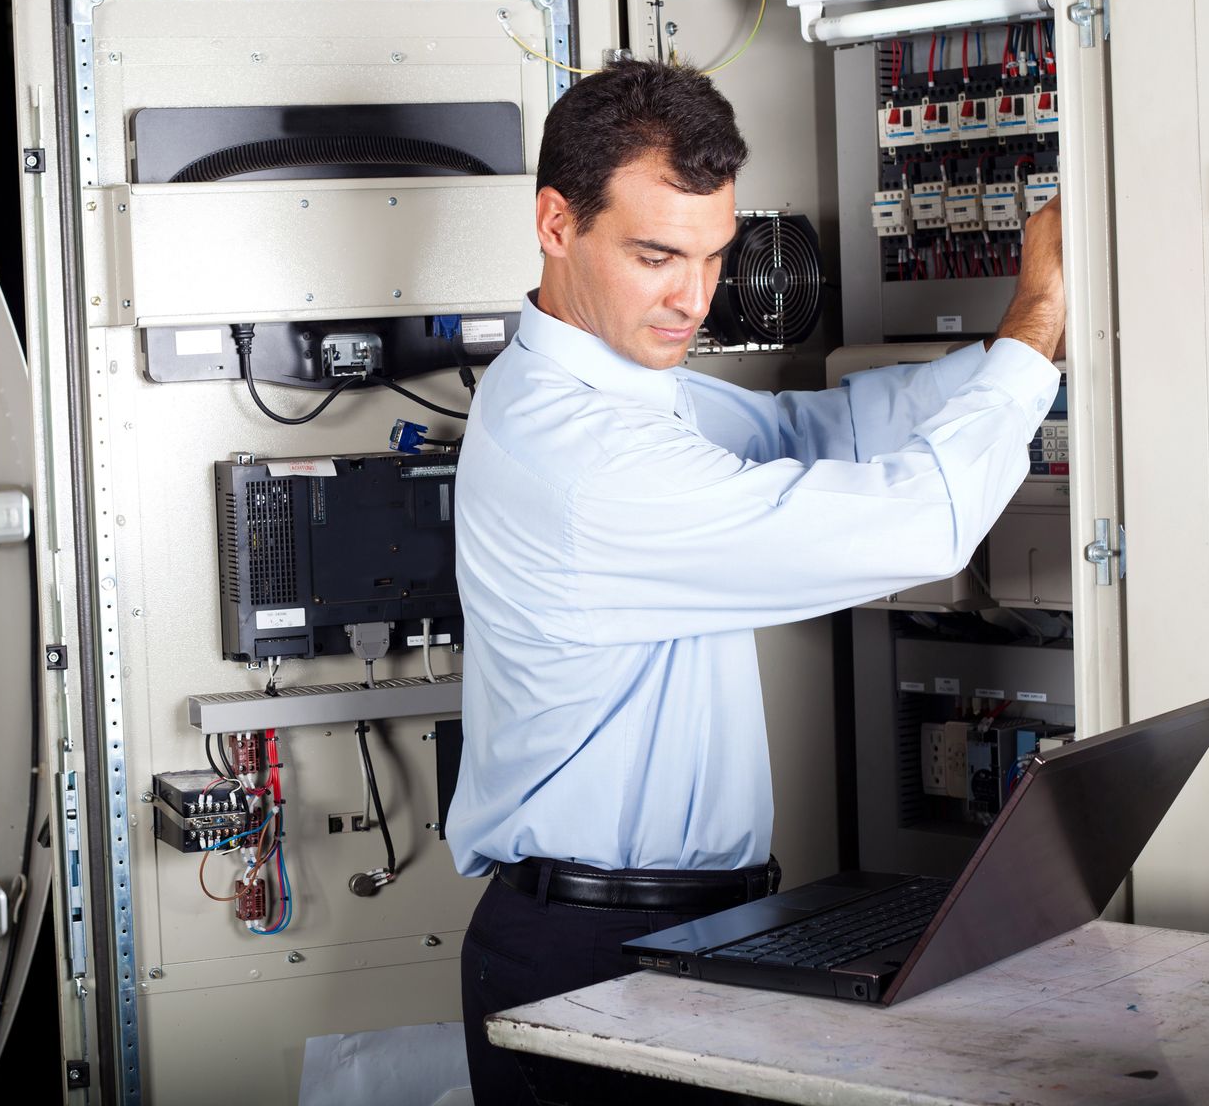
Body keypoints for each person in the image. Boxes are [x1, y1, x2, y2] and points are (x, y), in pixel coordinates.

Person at [443, 59, 1066, 1104]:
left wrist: (1020, 353)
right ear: (557, 223)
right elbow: (927, 525)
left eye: (715, 255)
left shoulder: (631, 391)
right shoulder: (586, 456)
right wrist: (1038, 317)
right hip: (593, 951)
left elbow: (817, 430)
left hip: (680, 929)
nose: (695, 297)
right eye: (656, 256)